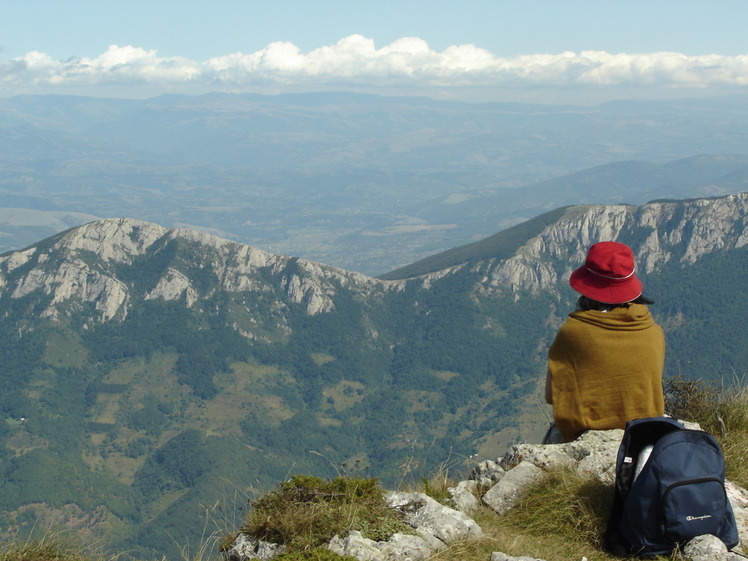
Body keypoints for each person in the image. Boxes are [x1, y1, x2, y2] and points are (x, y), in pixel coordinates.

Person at [544, 241, 665, 443]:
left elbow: (552, 396)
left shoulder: (573, 333)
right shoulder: (653, 331)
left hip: (585, 436)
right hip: (644, 436)